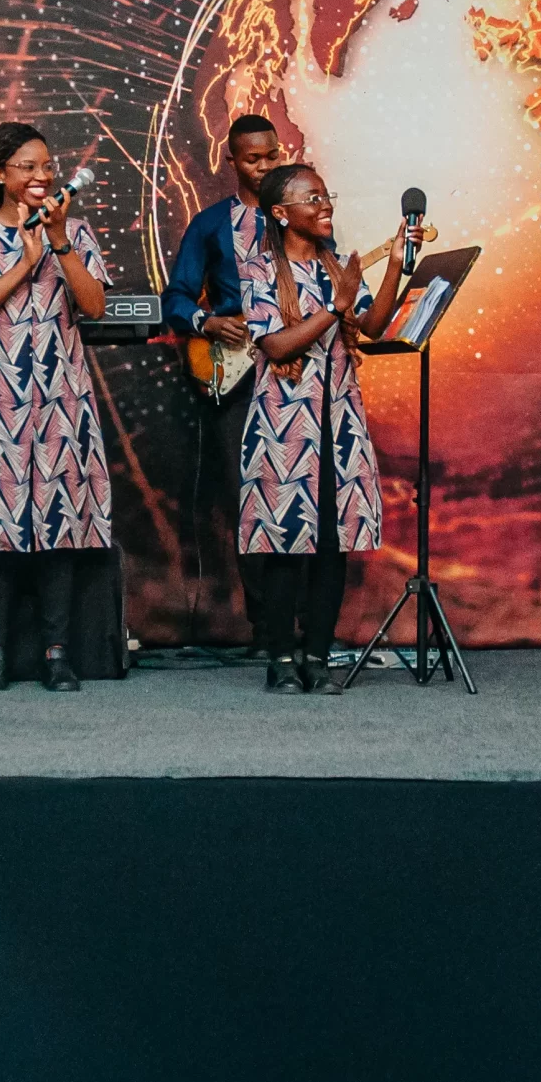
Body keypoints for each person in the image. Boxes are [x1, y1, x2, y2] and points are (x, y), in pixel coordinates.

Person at [0, 120, 112, 693]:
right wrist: (22, 264)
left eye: (47, 166)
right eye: (28, 167)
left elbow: (94, 306)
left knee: (58, 520)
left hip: (60, 395)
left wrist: (58, 242)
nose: (43, 175)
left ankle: (57, 653)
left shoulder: (74, 230)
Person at [240, 163, 412, 690]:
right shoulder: (259, 270)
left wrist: (395, 267)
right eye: (311, 198)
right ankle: (280, 659)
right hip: (284, 426)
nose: (324, 205)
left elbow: (374, 325)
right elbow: (276, 345)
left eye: (325, 195)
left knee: (332, 545)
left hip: (338, 422)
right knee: (285, 542)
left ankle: (316, 655)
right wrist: (334, 309)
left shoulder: (336, 267)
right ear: (280, 212)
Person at [163, 113, 287, 644]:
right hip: (237, 379)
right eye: (252, 159)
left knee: (303, 493)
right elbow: (176, 296)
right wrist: (206, 322)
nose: (264, 167)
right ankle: (268, 627)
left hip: (299, 374)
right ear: (231, 160)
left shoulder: (304, 216)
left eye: (272, 156)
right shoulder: (210, 224)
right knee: (249, 498)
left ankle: (310, 626)